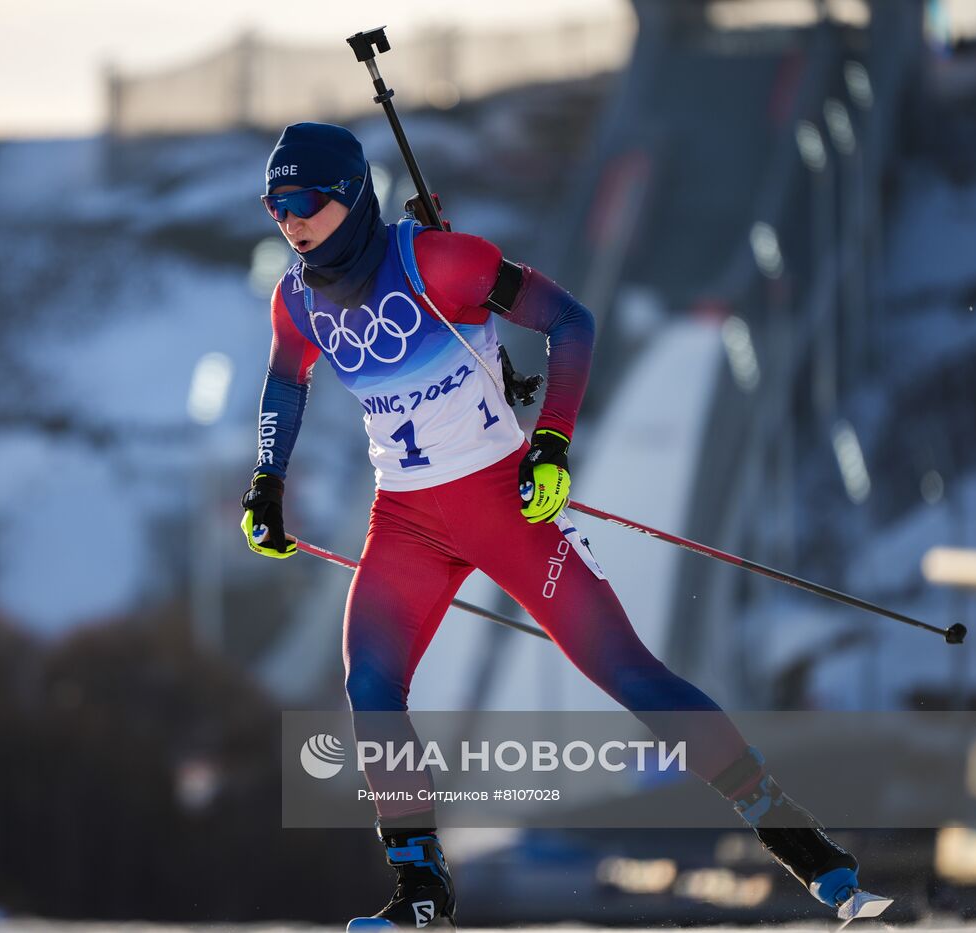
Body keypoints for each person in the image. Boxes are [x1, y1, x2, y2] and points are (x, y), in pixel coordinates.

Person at [239, 122, 867, 930]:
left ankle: (805, 847)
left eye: (304, 201)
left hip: (504, 505)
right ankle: (422, 890)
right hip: (405, 521)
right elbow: (285, 383)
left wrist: (553, 443)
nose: (289, 221)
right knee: (369, 686)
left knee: (629, 673)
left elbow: (571, 321)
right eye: (274, 205)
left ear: (351, 194)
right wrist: (267, 481)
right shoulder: (295, 299)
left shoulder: (439, 261)